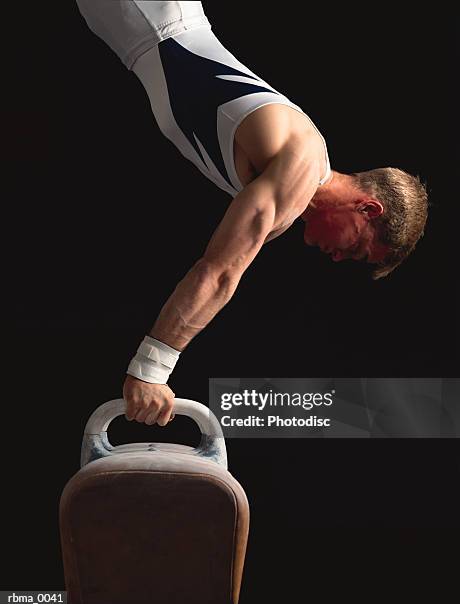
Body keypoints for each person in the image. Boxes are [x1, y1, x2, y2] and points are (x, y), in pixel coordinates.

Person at [75, 1, 429, 426]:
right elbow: (221, 272)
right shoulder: (301, 169)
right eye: (353, 250)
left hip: (128, 28)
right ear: (368, 209)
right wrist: (151, 370)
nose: (336, 258)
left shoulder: (290, 190)